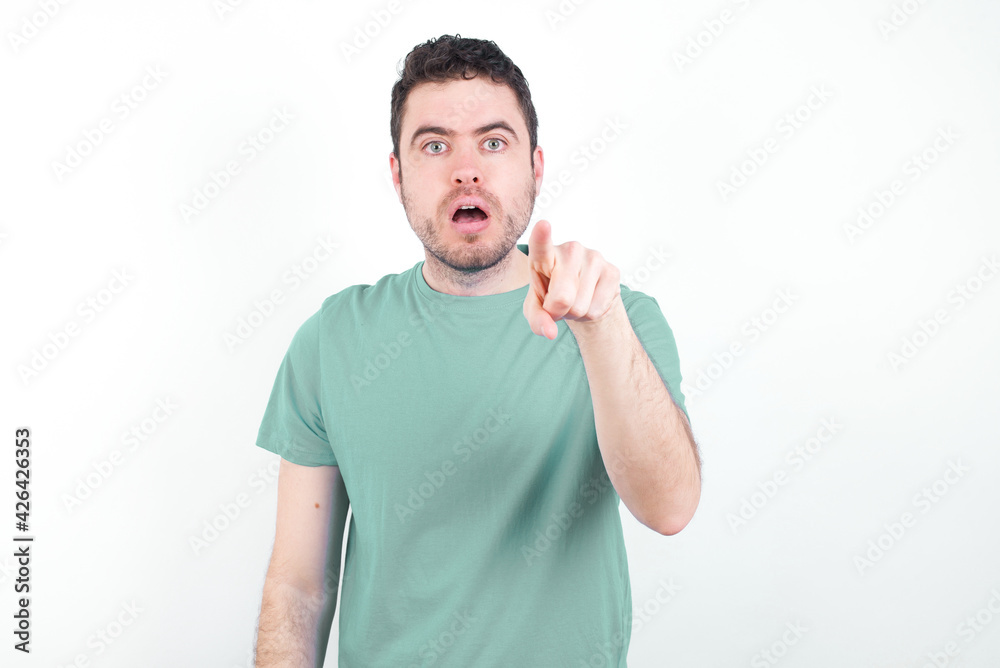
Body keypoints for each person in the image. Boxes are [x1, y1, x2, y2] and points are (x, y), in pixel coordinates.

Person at [253, 33, 701, 668]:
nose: (467, 169)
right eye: (435, 145)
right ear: (397, 173)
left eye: (494, 142)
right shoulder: (331, 339)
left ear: (536, 169)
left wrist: (600, 329)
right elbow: (298, 586)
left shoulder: (618, 319)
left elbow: (671, 508)